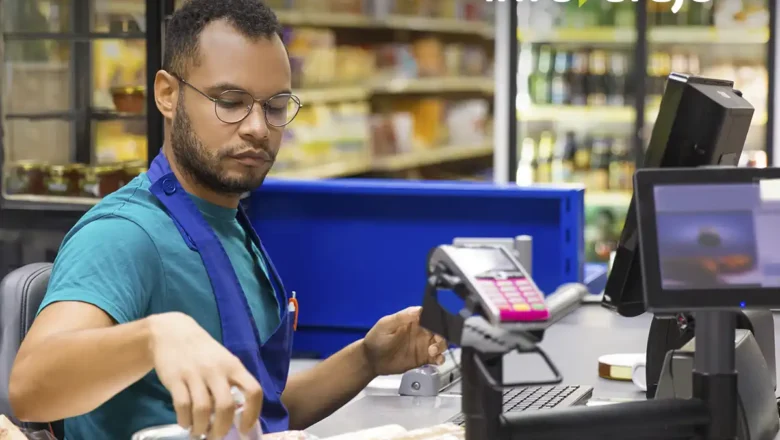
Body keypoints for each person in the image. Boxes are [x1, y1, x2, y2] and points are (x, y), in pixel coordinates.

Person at [7, 1, 447, 439]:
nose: (257, 127)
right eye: (230, 101)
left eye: (274, 107)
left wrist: (367, 359)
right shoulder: (125, 234)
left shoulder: (229, 224)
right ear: (167, 94)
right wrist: (154, 338)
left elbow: (259, 412)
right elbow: (30, 388)